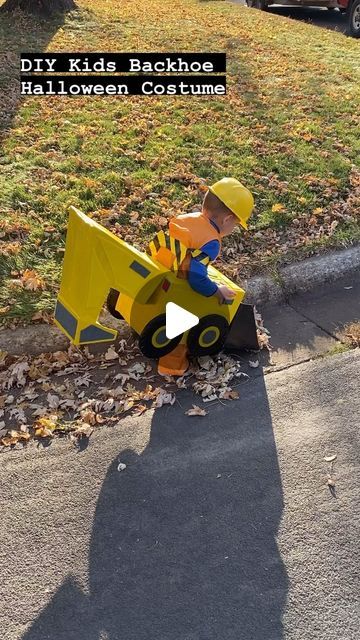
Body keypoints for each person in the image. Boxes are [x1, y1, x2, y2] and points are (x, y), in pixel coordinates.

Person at [157, 177, 254, 376]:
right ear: (227, 219)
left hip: (160, 274)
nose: (233, 229)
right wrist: (216, 291)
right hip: (178, 287)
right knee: (186, 315)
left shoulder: (189, 219)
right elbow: (196, 277)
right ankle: (171, 365)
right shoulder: (211, 241)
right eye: (235, 224)